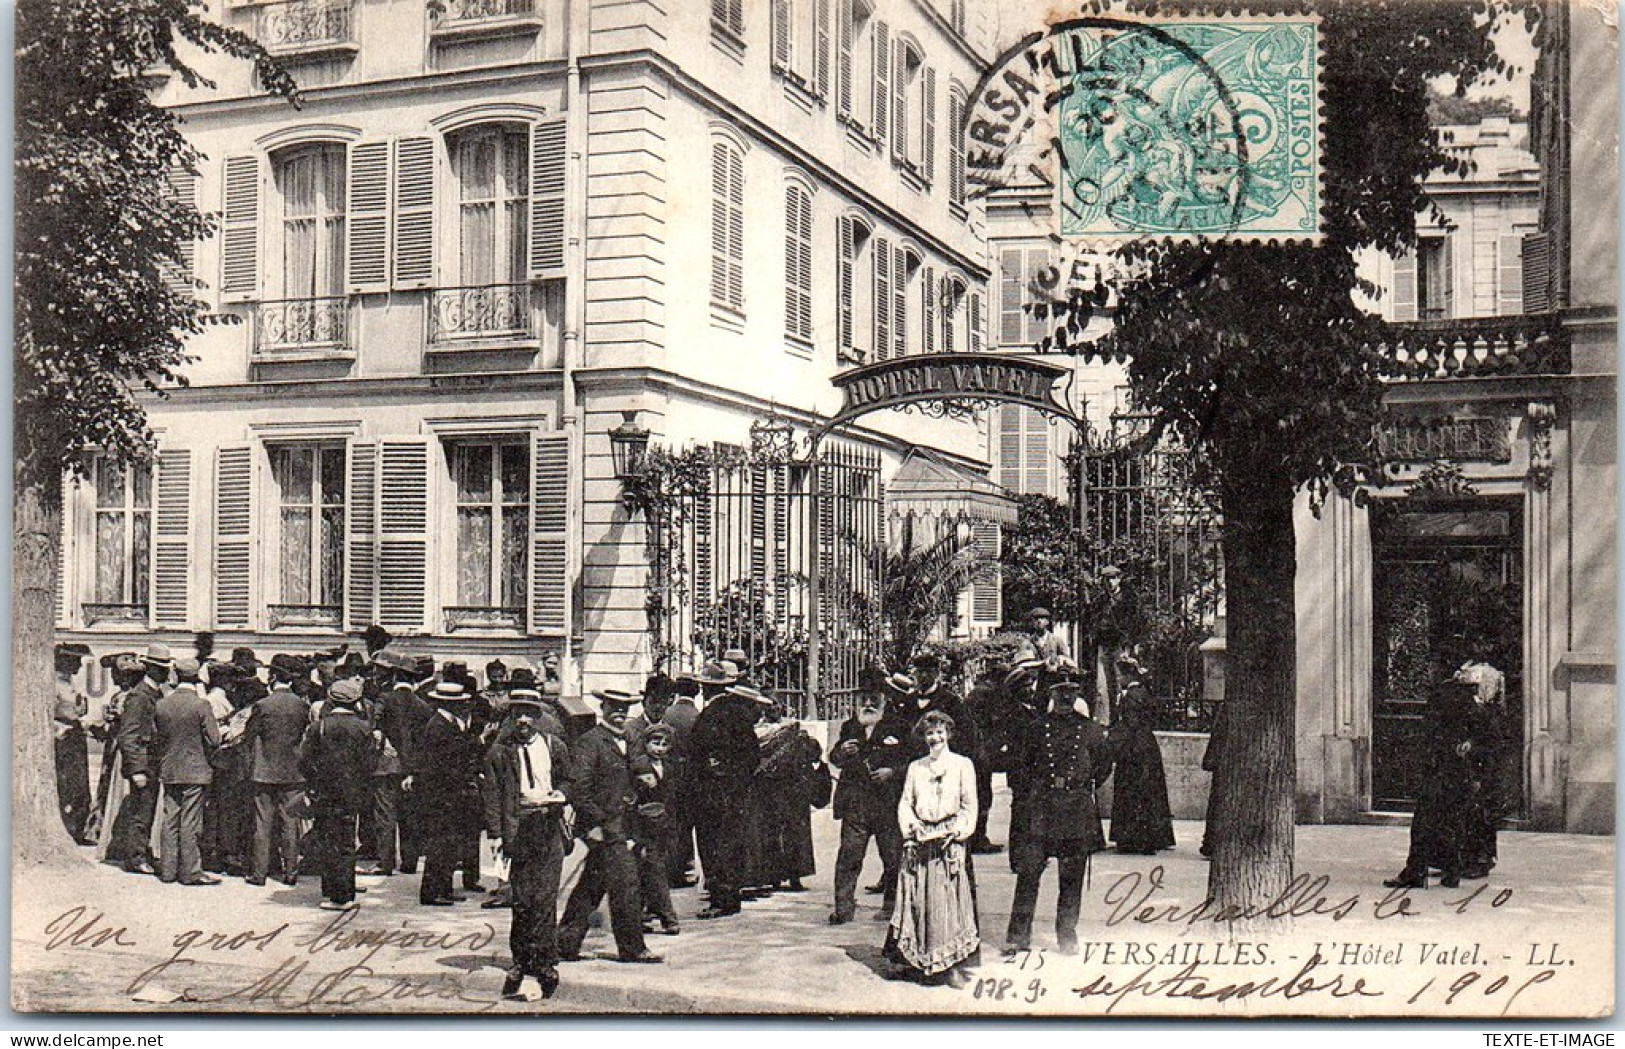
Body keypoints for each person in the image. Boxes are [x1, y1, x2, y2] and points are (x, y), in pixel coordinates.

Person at [1004, 679, 1113, 955]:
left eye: (1071, 691)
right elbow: (1020, 767)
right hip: (1041, 809)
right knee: (1028, 873)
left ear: (1077, 694)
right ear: (1051, 694)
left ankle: (1067, 935)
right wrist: (1031, 798)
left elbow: (1102, 767)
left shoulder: (1090, 730)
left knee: (1071, 877)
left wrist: (1079, 786)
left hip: (1076, 809)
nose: (1065, 696)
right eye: (1060, 691)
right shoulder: (1036, 729)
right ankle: (1018, 935)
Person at [558, 690, 662, 964]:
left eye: (624, 707)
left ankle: (565, 943)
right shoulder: (589, 742)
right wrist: (595, 823)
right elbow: (579, 790)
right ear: (603, 708)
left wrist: (646, 776)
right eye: (614, 707)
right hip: (603, 826)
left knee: (592, 884)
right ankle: (633, 948)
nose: (620, 712)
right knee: (626, 884)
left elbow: (637, 766)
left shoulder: (629, 738)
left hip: (626, 825)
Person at [483, 693, 573, 1000]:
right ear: (511, 717)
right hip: (518, 830)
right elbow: (492, 795)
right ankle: (521, 961)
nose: (523, 720)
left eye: (528, 714)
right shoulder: (499, 752)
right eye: (518, 714)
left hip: (548, 827)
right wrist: (495, 834)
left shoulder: (553, 746)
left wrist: (561, 794)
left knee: (545, 898)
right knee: (521, 901)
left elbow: (569, 780)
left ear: (538, 717)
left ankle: (544, 964)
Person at [886, 710, 980, 986]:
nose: (935, 738)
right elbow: (905, 803)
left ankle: (950, 965)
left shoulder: (963, 765)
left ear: (948, 733)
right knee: (919, 902)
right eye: (929, 733)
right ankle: (919, 963)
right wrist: (912, 828)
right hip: (921, 839)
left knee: (950, 904)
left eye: (940, 732)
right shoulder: (916, 768)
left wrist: (958, 832)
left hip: (949, 840)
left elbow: (969, 806)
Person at [1383, 663, 1494, 890]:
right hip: (1460, 771)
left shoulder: (1442, 696)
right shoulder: (1476, 704)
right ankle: (1451, 872)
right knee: (1452, 821)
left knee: (1424, 822)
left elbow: (1431, 734)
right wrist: (1470, 746)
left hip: (1439, 769)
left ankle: (1416, 872)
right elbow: (1488, 736)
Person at [828, 690, 911, 925]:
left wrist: (892, 772)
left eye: (873, 699)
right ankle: (843, 908)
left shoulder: (899, 726)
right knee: (849, 856)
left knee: (893, 858)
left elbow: (914, 761)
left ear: (884, 701)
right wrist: (841, 753)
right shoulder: (849, 727)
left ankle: (891, 906)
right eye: (862, 700)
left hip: (888, 805)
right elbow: (834, 758)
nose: (867, 704)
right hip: (856, 804)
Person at [687, 677, 765, 919]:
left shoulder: (715, 714)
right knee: (730, 845)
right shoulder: (737, 720)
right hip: (732, 793)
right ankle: (729, 896)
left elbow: (696, 752)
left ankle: (722, 898)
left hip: (712, 794)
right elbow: (752, 758)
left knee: (714, 846)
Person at [299, 678, 378, 910]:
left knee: (327, 838)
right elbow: (371, 762)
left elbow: (304, 761)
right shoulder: (364, 728)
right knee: (346, 841)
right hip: (353, 792)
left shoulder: (319, 727)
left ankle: (331, 892)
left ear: (331, 700)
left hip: (324, 792)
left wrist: (315, 782)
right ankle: (344, 893)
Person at [413, 681, 486, 905]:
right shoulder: (438, 726)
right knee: (439, 845)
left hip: (449, 795)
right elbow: (438, 766)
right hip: (441, 796)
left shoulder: (448, 723)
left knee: (448, 845)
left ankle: (444, 888)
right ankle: (432, 891)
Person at [153, 658, 223, 886]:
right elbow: (215, 739)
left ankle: (168, 870)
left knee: (170, 818)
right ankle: (190, 871)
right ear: (196, 678)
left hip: (170, 768)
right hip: (195, 770)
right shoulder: (202, 705)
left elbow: (157, 738)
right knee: (190, 821)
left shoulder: (162, 704)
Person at [243, 654, 310, 887]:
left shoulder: (262, 705)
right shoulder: (302, 706)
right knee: (290, 822)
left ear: (272, 678)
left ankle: (259, 874)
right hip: (293, 772)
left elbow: (249, 736)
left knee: (262, 823)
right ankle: (290, 872)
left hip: (264, 772)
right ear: (291, 681)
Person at [106, 646, 172, 875]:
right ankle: (135, 857)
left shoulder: (154, 693)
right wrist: (136, 769)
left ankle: (142, 851)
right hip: (143, 763)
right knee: (140, 812)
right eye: (161, 669)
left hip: (153, 761)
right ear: (151, 669)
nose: (166, 673)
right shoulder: (139, 696)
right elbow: (128, 736)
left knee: (148, 808)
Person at [1107, 660, 1175, 855]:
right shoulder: (1144, 693)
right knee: (1149, 790)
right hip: (1147, 746)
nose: (1118, 679)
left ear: (1128, 676)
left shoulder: (1130, 697)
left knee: (1133, 790)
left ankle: (1133, 838)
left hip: (1133, 749)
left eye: (1120, 675)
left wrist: (1113, 740)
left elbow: (1130, 724)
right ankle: (1154, 836)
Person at [752, 701, 820, 893]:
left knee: (796, 833)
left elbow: (814, 751)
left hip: (794, 787)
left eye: (776, 705)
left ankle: (795, 876)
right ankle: (773, 877)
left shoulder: (793, 730)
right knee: (771, 831)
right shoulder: (760, 731)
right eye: (769, 707)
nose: (774, 709)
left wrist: (805, 740)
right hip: (769, 788)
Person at [634, 725, 681, 936]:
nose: (660, 749)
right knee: (655, 871)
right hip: (644, 826)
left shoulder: (669, 766)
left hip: (664, 826)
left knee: (650, 870)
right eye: (655, 743)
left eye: (665, 744)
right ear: (645, 744)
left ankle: (641, 915)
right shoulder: (639, 766)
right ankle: (668, 918)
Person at [659, 671, 703, 887]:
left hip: (670, 775)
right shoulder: (698, 716)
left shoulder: (666, 714)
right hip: (693, 778)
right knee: (689, 823)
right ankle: (687, 866)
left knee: (674, 823)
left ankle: (671, 868)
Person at [53, 644, 93, 845]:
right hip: (63, 739)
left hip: (76, 735)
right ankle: (67, 828)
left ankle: (79, 829)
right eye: (75, 660)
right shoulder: (54, 684)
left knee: (80, 784)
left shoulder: (71, 683)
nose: (78, 665)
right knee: (66, 784)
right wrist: (58, 729)